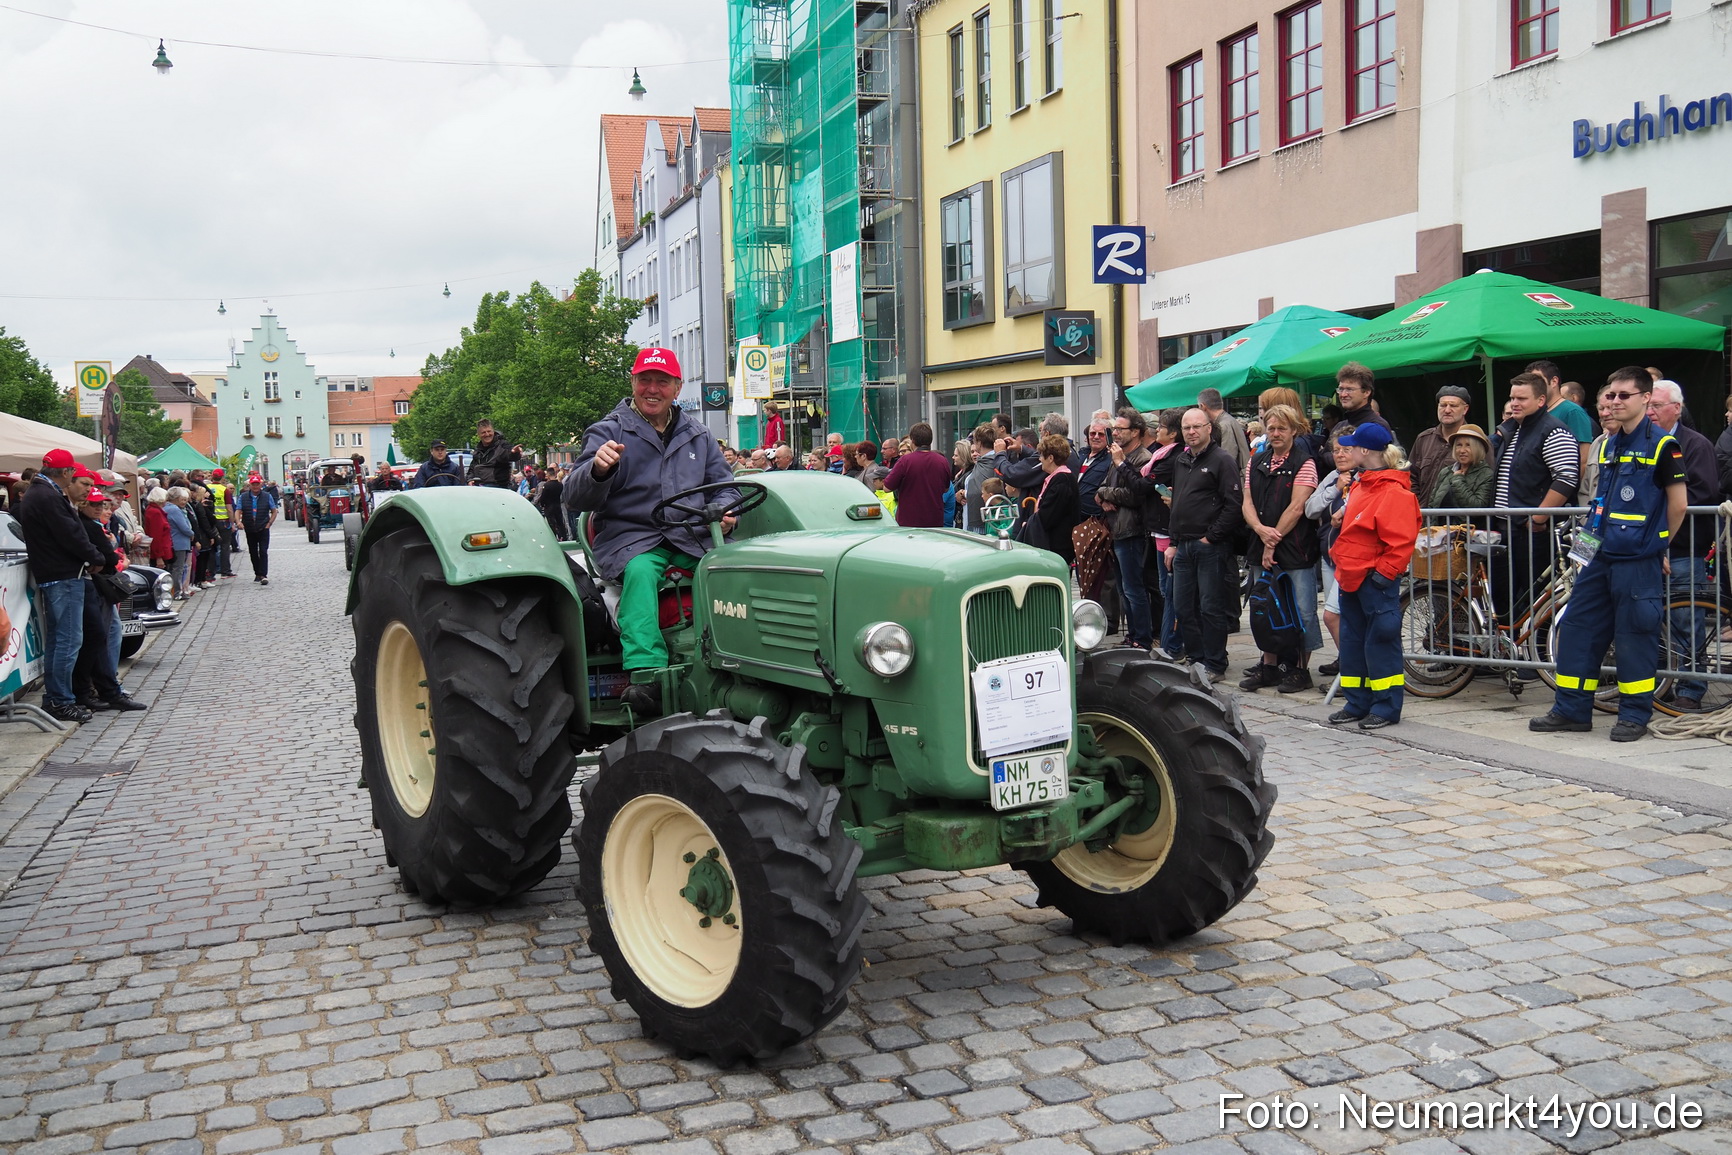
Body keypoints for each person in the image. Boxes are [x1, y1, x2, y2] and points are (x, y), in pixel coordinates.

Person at [565, 347, 735, 717]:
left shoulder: (698, 434)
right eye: (645, 380)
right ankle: (647, 674)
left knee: (736, 567)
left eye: (662, 381)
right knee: (641, 574)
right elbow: (573, 494)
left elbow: (725, 485)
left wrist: (726, 509)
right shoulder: (609, 431)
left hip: (691, 536)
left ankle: (739, 655)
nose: (652, 389)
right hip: (632, 538)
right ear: (633, 382)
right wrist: (597, 470)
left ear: (677, 386)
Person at [1531, 368, 1687, 742]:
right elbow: (1600, 504)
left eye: (1623, 396)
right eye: (1611, 395)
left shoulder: (1664, 446)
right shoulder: (1608, 443)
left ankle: (1633, 716)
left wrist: (1657, 546)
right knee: (1576, 630)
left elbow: (1678, 505)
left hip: (1637, 560)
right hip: (1597, 555)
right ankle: (1571, 710)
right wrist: (1582, 555)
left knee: (1635, 637)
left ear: (1645, 399)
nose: (1614, 401)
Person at [1325, 424, 1419, 730]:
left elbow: (1401, 542)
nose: (1346, 451)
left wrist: (1384, 575)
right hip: (1353, 576)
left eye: (1351, 446)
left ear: (1365, 451)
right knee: (1353, 642)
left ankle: (1386, 706)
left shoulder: (1393, 492)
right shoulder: (1362, 484)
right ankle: (1357, 702)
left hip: (1372, 579)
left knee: (1380, 642)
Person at [17, 452, 111, 722]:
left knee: (62, 641)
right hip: (61, 574)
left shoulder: (41, 493)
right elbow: (69, 534)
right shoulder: (46, 495)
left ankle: (57, 698)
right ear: (67, 472)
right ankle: (60, 700)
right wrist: (95, 557)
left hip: (58, 572)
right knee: (67, 641)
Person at [1239, 405, 1322, 692]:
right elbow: (1247, 502)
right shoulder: (1256, 460)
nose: (1275, 434)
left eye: (1281, 429)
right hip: (1260, 544)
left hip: (1296, 548)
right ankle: (1269, 665)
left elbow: (1297, 506)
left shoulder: (1305, 461)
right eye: (1270, 428)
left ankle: (1300, 669)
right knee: (1264, 606)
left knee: (1302, 610)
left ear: (1294, 431)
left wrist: (1271, 540)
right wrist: (1261, 532)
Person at [1646, 380, 1718, 712]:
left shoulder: (1695, 444)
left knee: (1687, 621)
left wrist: (1660, 507)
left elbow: (1702, 495)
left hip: (1685, 547)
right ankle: (1664, 681)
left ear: (1676, 407)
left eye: (1657, 406)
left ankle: (1692, 686)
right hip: (1652, 546)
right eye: (1649, 405)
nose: (1651, 412)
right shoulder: (1646, 440)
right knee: (1656, 622)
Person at [1490, 371, 1580, 623]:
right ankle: (1509, 655)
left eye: (1522, 398)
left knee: (1532, 602)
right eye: (1512, 398)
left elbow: (1566, 477)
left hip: (1530, 534)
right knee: (1505, 602)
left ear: (1541, 401)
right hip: (1504, 530)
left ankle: (1532, 659)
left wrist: (1539, 517)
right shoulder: (1512, 430)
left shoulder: (1552, 431)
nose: (1515, 403)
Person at [1164, 408, 1243, 682]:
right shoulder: (1181, 460)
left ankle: (1215, 663)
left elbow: (1233, 505)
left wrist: (1211, 537)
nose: (1192, 432)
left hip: (1210, 546)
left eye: (1197, 426)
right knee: (1183, 607)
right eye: (1187, 428)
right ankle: (1196, 659)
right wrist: (1173, 542)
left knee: (1211, 607)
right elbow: (1177, 505)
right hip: (1183, 545)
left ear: (1210, 428)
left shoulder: (1222, 460)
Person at [71, 489, 145, 712]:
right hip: (94, 584)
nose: (99, 508)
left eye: (102, 504)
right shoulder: (87, 525)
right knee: (97, 637)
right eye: (94, 504)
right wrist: (108, 554)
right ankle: (99, 689)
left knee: (105, 634)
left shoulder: (94, 524)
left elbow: (108, 555)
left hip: (99, 583)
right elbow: (108, 556)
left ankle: (104, 687)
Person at [1098, 409, 1154, 650]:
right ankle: (1131, 635)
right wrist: (1102, 495)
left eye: (1120, 429)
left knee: (1134, 588)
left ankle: (1142, 638)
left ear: (1136, 432)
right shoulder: (1116, 456)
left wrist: (1106, 493)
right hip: (1116, 529)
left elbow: (1135, 494)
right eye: (1115, 428)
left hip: (1132, 530)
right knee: (1123, 589)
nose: (1116, 433)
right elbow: (1101, 487)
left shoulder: (1141, 457)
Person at [1305, 429, 1356, 677]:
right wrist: (1334, 489)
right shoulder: (1332, 477)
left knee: (1332, 615)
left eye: (1346, 449)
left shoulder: (1364, 477)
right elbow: (1311, 509)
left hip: (1351, 557)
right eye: (1336, 450)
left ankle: (1351, 668)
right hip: (1329, 555)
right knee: (1337, 615)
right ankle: (1345, 661)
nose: (1340, 455)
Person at [1528, 359, 1595, 475]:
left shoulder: (1572, 411)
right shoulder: (1537, 412)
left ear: (1554, 381)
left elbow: (1583, 459)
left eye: (1538, 380)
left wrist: (1569, 491)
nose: (1534, 386)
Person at [1409, 386, 1473, 504]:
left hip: (1457, 520)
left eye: (1453, 406)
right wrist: (1416, 505)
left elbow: (1485, 482)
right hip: (1423, 516)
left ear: (1465, 409)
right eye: (1443, 405)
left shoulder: (1476, 441)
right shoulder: (1424, 438)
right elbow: (1411, 476)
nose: (1447, 410)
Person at [882, 423, 952, 528]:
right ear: (931, 440)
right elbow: (946, 489)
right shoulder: (942, 461)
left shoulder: (905, 461)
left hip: (909, 521)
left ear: (912, 440)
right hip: (935, 521)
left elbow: (887, 488)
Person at [1027, 434, 1080, 564]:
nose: (1040, 460)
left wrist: (1031, 523)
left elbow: (1047, 516)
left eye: (1041, 456)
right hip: (1057, 545)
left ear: (1050, 458)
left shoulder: (1062, 480)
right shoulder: (1060, 478)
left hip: (1058, 547)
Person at [1428, 424, 1494, 509]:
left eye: (1468, 445)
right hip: (1441, 522)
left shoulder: (1486, 474)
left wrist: (1458, 480)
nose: (1462, 450)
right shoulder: (1446, 472)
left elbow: (1477, 507)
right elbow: (1432, 504)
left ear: (1478, 448)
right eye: (1459, 445)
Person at [1197, 389, 1251, 477]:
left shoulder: (1223, 425)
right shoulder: (1228, 420)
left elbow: (1227, 460)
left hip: (1235, 481)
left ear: (1202, 406)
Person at [1333, 363, 1394, 440]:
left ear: (1366, 392)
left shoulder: (1377, 426)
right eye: (1341, 389)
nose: (1343, 394)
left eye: (1349, 389)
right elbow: (1326, 451)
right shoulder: (1339, 427)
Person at [235, 474, 278, 584]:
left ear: (261, 485)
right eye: (253, 484)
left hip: (263, 527)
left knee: (263, 551)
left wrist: (269, 523)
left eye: (257, 484)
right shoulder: (243, 497)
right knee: (253, 552)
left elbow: (274, 510)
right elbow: (238, 510)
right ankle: (257, 573)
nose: (255, 487)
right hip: (249, 528)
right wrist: (238, 522)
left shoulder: (267, 496)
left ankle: (263, 574)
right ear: (250, 485)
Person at [468, 419, 523, 488]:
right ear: (479, 435)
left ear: (493, 431)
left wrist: (515, 453)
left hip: (498, 487)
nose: (487, 434)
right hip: (479, 487)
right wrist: (470, 479)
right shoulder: (478, 451)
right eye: (483, 432)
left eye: (489, 431)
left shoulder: (502, 445)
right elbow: (472, 468)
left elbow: (510, 455)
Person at [164, 488, 196, 599]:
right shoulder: (174, 509)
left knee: (175, 568)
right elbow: (183, 526)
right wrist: (192, 533)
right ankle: (176, 592)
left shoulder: (167, 507)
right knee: (178, 568)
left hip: (174, 542)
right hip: (179, 542)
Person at [144, 488, 175, 572]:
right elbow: (156, 536)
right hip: (161, 552)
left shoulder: (153, 510)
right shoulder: (155, 512)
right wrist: (159, 557)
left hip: (163, 550)